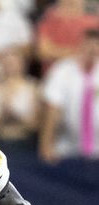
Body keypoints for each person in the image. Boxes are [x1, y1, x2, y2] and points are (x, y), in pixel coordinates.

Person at [39, 26, 99, 163]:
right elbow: (52, 109)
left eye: (96, 45)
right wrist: (46, 145)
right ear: (79, 45)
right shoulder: (62, 70)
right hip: (68, 148)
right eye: (88, 44)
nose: (92, 49)